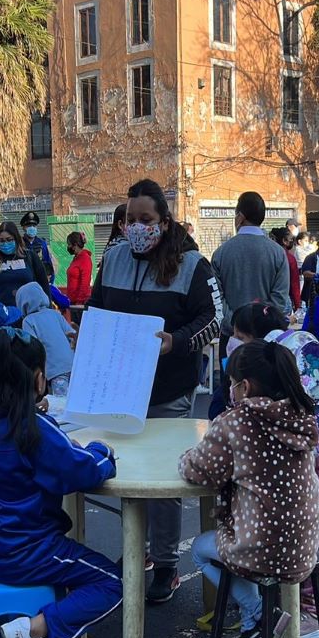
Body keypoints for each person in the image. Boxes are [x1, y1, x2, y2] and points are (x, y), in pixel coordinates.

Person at [87, 178, 221, 602]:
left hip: (170, 391)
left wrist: (176, 341)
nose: (136, 227)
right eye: (130, 219)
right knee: (125, 476)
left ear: (164, 221)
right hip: (118, 391)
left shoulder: (193, 265)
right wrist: (87, 335)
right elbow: (96, 309)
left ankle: (165, 565)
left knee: (164, 487)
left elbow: (215, 318)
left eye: (145, 219)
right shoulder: (112, 260)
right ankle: (137, 551)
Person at [0, 328, 119, 638]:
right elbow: (85, 470)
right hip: (26, 550)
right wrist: (103, 450)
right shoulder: (36, 429)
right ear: (38, 377)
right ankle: (33, 632)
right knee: (113, 582)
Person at [181, 339, 319, 638]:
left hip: (259, 549)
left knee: (200, 550)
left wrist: (186, 454)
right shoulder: (302, 415)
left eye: (230, 383)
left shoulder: (237, 422)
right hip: (303, 549)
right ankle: (252, 634)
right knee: (244, 542)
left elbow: (196, 470)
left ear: (244, 387)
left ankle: (261, 617)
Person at [225, 303, 319, 636]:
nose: (235, 343)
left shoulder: (268, 360)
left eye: (239, 336)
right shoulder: (305, 340)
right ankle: (314, 607)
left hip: (288, 462)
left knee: (289, 535)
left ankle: (302, 614)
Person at [211, 192, 291, 344]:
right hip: (266, 341)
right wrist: (261, 326)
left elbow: (216, 299)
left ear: (240, 216)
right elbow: (280, 299)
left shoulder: (221, 253)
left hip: (231, 340)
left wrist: (236, 326)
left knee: (230, 368)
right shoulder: (278, 253)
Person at [16, 282, 75, 396]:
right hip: (71, 364)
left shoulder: (28, 321)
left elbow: (32, 346)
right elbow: (71, 334)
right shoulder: (55, 314)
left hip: (54, 370)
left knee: (60, 403)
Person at [0, 221, 52, 308]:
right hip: (2, 316)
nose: (5, 243)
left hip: (29, 314)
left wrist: (48, 309)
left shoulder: (30, 257)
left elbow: (44, 285)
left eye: (9, 239)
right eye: (2, 241)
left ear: (16, 239)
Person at [270, 226, 303, 311]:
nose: (293, 241)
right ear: (284, 241)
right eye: (291, 239)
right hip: (283, 300)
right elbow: (294, 284)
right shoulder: (289, 259)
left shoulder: (269, 256)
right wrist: (297, 305)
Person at [19, 211, 55, 283]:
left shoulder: (42, 243)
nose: (32, 228)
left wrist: (50, 282)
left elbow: (48, 263)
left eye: (34, 226)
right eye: (29, 226)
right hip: (24, 281)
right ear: (23, 228)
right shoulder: (19, 244)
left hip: (40, 281)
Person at [65, 231, 93, 306]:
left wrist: (79, 302)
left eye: (69, 245)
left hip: (81, 303)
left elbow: (85, 283)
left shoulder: (85, 259)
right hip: (73, 301)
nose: (68, 247)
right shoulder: (76, 258)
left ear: (75, 245)